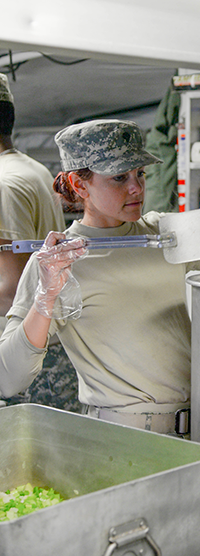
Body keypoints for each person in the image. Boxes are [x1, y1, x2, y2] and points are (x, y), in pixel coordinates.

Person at [0, 118, 200, 435]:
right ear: (80, 186)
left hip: (199, 432)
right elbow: (8, 377)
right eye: (119, 177)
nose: (136, 187)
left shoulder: (168, 233)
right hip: (123, 440)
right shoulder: (58, 262)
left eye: (140, 174)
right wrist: (46, 297)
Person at [0, 73, 81, 412]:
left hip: (25, 355)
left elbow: (10, 286)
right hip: (48, 346)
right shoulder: (30, 169)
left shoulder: (4, 183)